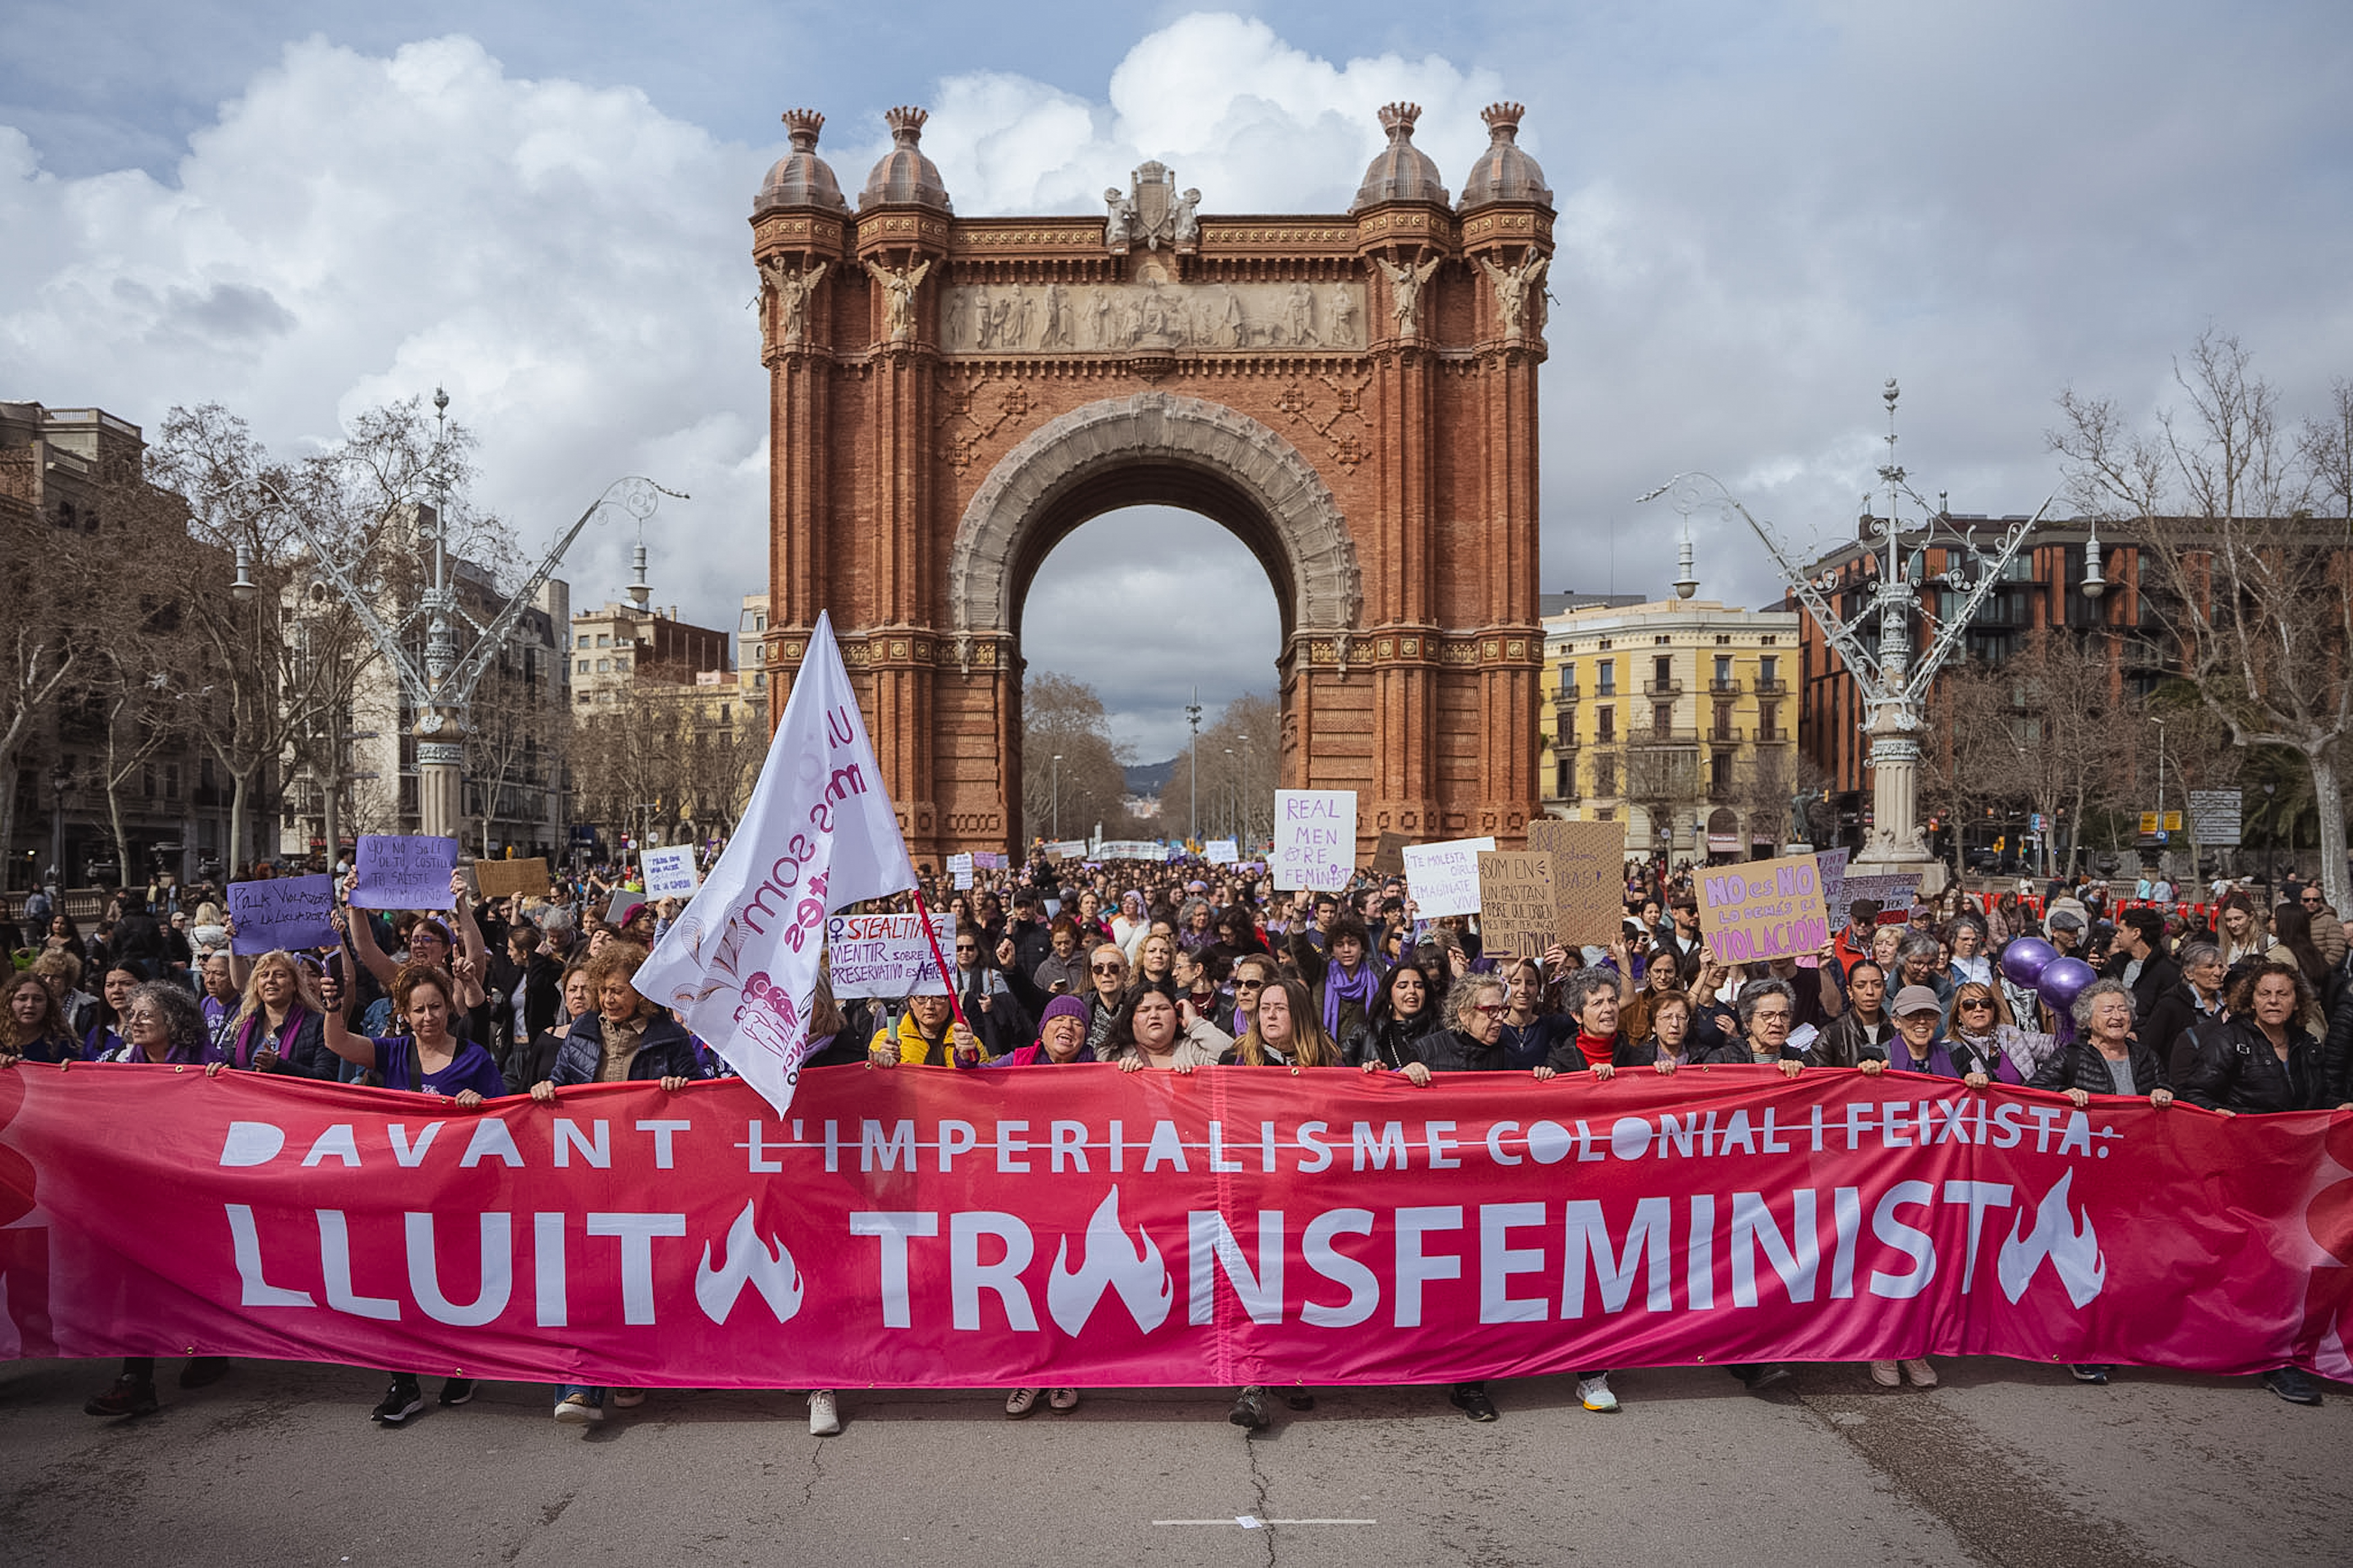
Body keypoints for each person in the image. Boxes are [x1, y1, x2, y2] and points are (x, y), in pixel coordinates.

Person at [316, 959, 505, 1424]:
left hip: (457, 1196)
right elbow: (337, 1043)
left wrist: (475, 1109)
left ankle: (462, 1365)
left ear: (449, 1007)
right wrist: (334, 1006)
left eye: (436, 1006)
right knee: (398, 1286)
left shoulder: (474, 1058)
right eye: (418, 1009)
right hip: (402, 1195)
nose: (428, 1017)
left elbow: (505, 1117)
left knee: (453, 1286)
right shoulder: (394, 1053)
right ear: (403, 1012)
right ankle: (404, 1382)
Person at [527, 940, 707, 1425]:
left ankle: (628, 1371)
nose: (608, 999)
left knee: (634, 1280)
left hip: (645, 1177)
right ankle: (581, 1386)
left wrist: (679, 1090)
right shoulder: (583, 1029)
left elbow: (700, 1094)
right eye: (604, 990)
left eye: (618, 990)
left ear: (642, 992)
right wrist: (547, 1088)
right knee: (587, 1279)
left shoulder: (669, 1036)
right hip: (588, 1174)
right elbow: (563, 1080)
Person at [77, 981, 232, 1415]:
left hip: (194, 1187)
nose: (137, 1021)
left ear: (175, 1021)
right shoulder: (122, 1063)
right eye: (134, 1014)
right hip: (141, 1189)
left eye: (148, 1014)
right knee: (138, 1277)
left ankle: (210, 1349)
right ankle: (136, 1379)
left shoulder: (208, 1062)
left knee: (199, 1273)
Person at [215, 951, 334, 1078]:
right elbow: (228, 1063)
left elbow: (326, 1076)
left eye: (279, 975)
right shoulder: (240, 1023)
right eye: (264, 975)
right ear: (256, 985)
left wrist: (279, 1066)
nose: (270, 980)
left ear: (295, 985)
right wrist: (220, 1068)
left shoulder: (318, 1024)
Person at [1343, 961, 1435, 1070]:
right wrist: (1367, 1074)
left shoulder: (1440, 1032)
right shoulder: (1365, 1032)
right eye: (1402, 986)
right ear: (1389, 996)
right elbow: (1338, 1068)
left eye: (1419, 986)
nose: (1412, 991)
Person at [1809, 959, 1892, 1071]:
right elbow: (1816, 1076)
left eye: (1877, 985)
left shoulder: (1897, 1031)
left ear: (1885, 989)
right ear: (1850, 992)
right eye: (1861, 986)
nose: (1870, 992)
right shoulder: (1832, 1034)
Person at [868, 990, 985, 1067]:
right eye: (921, 997)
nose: (929, 1006)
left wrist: (968, 1059)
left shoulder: (970, 1044)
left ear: (951, 1001)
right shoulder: (885, 1040)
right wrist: (882, 1065)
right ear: (910, 1002)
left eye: (939, 997)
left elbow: (985, 1090)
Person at [2103, 908, 2180, 1022]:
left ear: (2136, 933)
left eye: (2121, 931)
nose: (2117, 936)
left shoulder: (2169, 972)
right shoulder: (2116, 963)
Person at [0, 972, 79, 1064]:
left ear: (48, 1005)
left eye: (38, 999)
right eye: (22, 999)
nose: (30, 1005)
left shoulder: (62, 1043)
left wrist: (71, 1066)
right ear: (9, 1003)